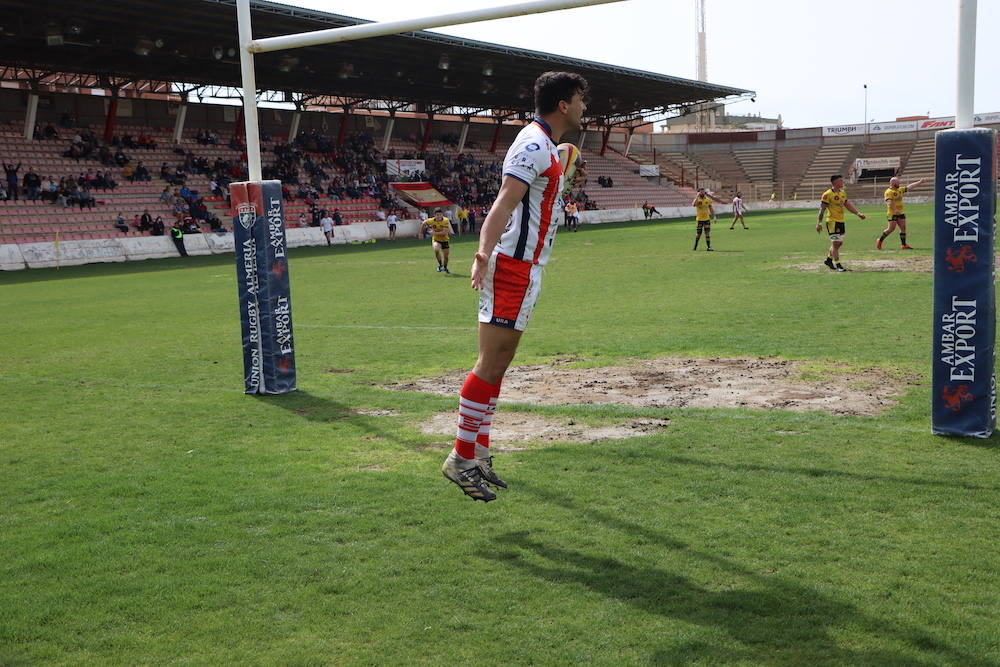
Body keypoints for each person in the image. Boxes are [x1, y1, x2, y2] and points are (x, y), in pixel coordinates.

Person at [441, 71, 589, 502]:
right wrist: (483, 253)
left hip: (526, 268)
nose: (584, 107)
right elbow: (503, 202)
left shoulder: (546, 145)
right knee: (490, 363)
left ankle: (478, 452)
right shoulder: (532, 144)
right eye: (580, 99)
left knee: (499, 364)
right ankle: (460, 458)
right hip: (512, 267)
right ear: (563, 104)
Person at [816, 173, 866, 272]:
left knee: (839, 243)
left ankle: (828, 260)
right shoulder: (827, 194)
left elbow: (847, 205)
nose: (842, 182)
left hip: (841, 221)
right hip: (832, 222)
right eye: (841, 181)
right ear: (835, 182)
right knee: (836, 243)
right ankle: (838, 265)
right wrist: (819, 223)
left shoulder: (843, 193)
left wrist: (858, 213)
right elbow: (822, 210)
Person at [877, 176, 924, 250]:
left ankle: (903, 245)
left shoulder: (900, 189)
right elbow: (889, 202)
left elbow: (910, 187)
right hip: (892, 213)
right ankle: (880, 240)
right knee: (891, 229)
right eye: (897, 183)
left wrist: (919, 182)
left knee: (903, 228)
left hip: (901, 212)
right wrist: (895, 209)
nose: (899, 184)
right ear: (893, 183)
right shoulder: (888, 192)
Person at [419, 208, 452, 273]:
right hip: (436, 239)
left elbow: (444, 232)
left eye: (440, 215)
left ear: (442, 215)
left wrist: (434, 233)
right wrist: (420, 233)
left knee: (446, 257)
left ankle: (445, 268)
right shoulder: (431, 220)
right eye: (437, 215)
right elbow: (423, 223)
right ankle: (440, 265)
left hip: (445, 240)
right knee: (436, 249)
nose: (439, 216)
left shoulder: (445, 220)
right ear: (434, 215)